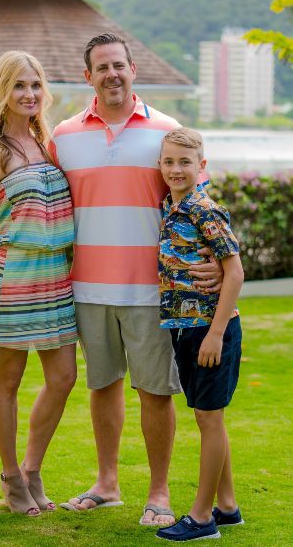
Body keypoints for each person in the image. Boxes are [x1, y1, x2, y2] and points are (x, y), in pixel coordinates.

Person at [47, 33, 222, 523]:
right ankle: (107, 484)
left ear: (133, 69)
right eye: (101, 67)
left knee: (155, 391)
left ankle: (160, 493)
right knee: (102, 386)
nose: (112, 74)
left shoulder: (166, 132)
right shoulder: (62, 136)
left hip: (152, 288)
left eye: (118, 65)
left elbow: (198, 203)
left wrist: (214, 259)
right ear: (88, 77)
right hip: (86, 287)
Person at [0, 50, 77, 516]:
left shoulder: (51, 145)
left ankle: (32, 468)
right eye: (19, 86)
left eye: (35, 85)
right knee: (8, 379)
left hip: (56, 277)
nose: (29, 94)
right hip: (9, 277)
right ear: (3, 92)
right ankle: (11, 474)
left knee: (64, 377)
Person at [155, 128, 244, 541]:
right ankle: (227, 506)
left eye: (185, 162)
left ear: (201, 167)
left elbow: (235, 271)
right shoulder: (169, 208)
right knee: (207, 417)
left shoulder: (204, 210)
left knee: (209, 419)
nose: (176, 169)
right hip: (183, 328)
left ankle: (203, 518)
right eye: (169, 161)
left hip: (210, 329)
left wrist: (216, 333)